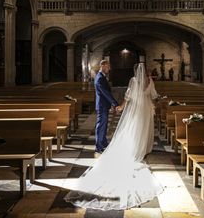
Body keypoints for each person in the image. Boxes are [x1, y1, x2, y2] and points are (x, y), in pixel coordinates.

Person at [65, 63, 163, 210]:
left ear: (136, 70)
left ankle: (134, 147)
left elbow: (128, 96)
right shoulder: (150, 81)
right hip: (146, 109)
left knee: (134, 127)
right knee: (144, 128)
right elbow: (154, 96)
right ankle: (143, 148)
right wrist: (154, 105)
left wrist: (120, 106)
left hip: (136, 109)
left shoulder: (134, 81)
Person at [94, 60, 119, 154]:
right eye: (108, 67)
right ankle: (99, 147)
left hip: (104, 105)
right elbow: (106, 93)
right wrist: (115, 104)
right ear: (103, 66)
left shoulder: (102, 77)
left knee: (104, 125)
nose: (109, 69)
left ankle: (103, 143)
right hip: (102, 105)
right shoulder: (100, 78)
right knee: (101, 125)